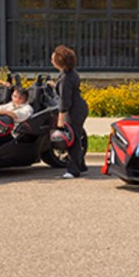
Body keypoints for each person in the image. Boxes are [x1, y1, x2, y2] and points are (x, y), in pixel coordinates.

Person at [50, 45, 89, 179]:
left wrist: (61, 117)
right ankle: (81, 165)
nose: (51, 58)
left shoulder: (65, 78)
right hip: (79, 107)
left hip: (74, 110)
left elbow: (65, 100)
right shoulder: (69, 73)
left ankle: (73, 170)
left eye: (53, 56)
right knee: (76, 136)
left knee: (72, 139)